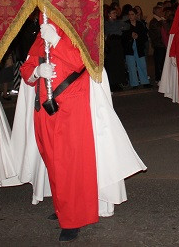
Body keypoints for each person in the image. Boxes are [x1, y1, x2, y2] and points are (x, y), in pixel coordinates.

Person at [16, 16, 146, 242]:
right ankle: (64, 207)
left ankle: (73, 218)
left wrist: (57, 41)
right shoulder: (40, 35)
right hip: (45, 109)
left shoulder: (76, 31)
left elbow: (83, 61)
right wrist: (37, 71)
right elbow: (26, 69)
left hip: (73, 107)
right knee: (53, 161)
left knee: (72, 163)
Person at [122, 9, 150, 88]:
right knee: (131, 66)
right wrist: (130, 36)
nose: (130, 16)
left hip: (139, 46)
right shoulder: (125, 24)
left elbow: (144, 36)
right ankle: (134, 83)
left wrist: (138, 37)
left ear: (135, 15)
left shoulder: (140, 24)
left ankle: (145, 81)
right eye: (129, 14)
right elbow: (123, 37)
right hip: (129, 48)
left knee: (142, 64)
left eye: (132, 14)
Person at [148, 5, 167, 83]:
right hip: (159, 45)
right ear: (155, 12)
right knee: (159, 62)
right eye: (160, 11)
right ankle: (158, 78)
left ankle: (163, 77)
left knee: (163, 62)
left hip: (162, 44)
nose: (161, 12)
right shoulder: (154, 22)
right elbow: (159, 32)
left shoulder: (162, 20)